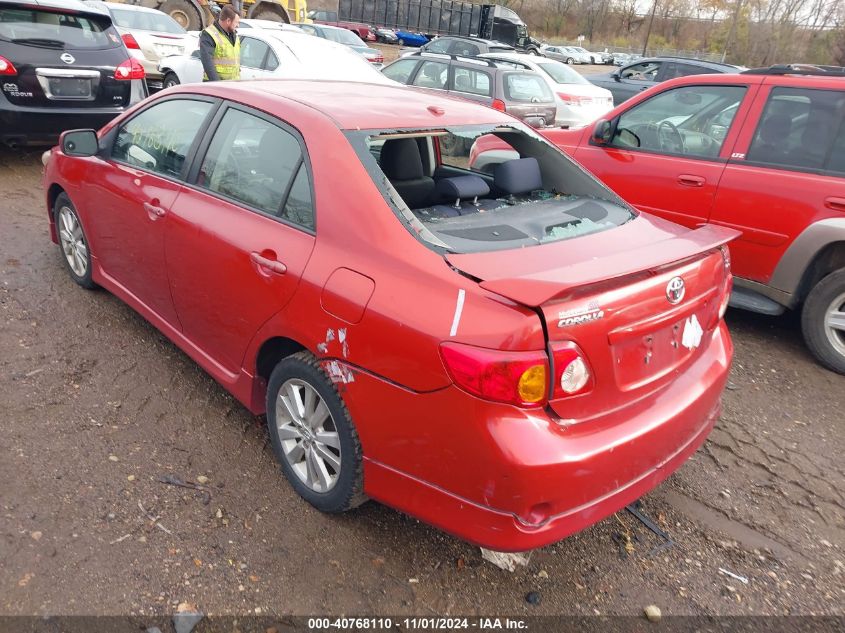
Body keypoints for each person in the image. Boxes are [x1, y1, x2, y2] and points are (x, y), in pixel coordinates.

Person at [200, 4, 240, 82]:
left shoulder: (234, 35)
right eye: (236, 22)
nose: (238, 25)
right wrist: (218, 85)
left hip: (232, 85)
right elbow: (208, 64)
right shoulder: (209, 34)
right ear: (228, 21)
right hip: (215, 86)